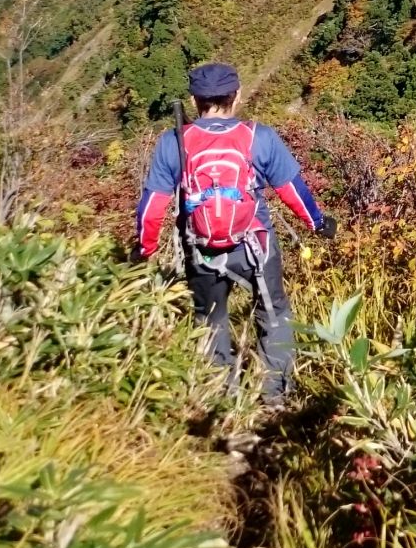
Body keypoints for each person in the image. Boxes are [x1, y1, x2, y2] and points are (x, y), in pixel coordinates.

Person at [132, 62, 334, 404]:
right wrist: (317, 223)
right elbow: (292, 190)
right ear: (236, 95)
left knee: (211, 319)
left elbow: (152, 207)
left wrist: (145, 249)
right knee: (273, 312)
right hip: (256, 245)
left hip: (201, 249)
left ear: (194, 99)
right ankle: (275, 396)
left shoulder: (174, 142)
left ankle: (222, 399)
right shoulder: (259, 137)